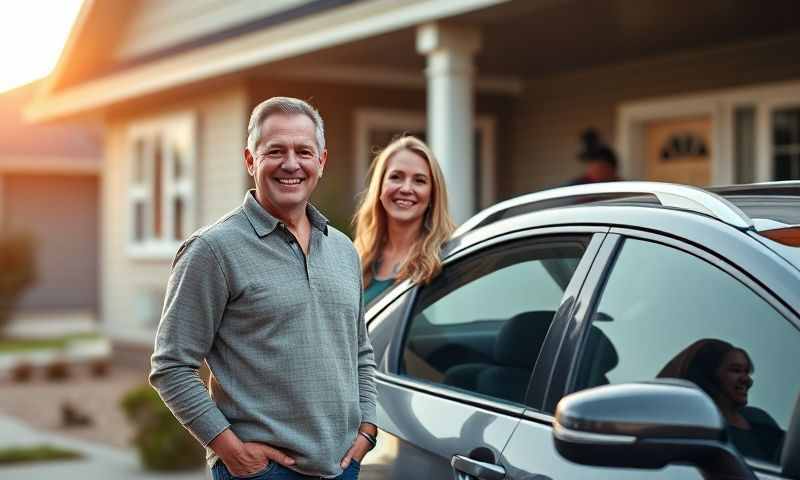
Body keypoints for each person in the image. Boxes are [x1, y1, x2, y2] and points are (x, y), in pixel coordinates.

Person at [149, 97, 377, 480]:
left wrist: (367, 431)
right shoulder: (212, 250)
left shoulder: (343, 249)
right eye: (275, 151)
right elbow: (171, 366)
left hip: (342, 467)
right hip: (262, 472)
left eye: (304, 151)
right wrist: (228, 449)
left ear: (321, 161)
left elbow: (360, 351)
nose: (291, 164)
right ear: (250, 160)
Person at [353, 136, 455, 305]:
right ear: (380, 186)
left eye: (419, 180)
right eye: (396, 177)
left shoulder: (447, 258)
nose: (406, 189)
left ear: (433, 195)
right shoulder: (359, 258)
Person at [658, 339, 785, 463]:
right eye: (736, 370)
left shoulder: (760, 419)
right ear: (708, 375)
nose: (747, 380)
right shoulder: (690, 434)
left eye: (747, 372)